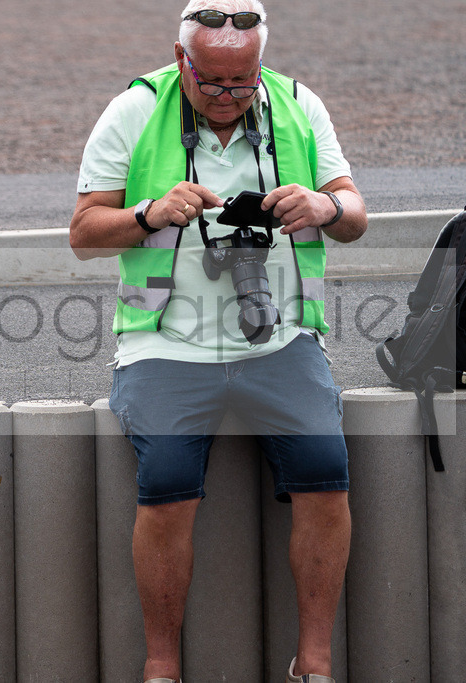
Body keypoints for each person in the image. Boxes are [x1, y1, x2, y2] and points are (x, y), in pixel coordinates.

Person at [69, 1, 367, 682]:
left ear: (260, 65)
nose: (229, 97)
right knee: (169, 483)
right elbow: (83, 231)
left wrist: (324, 206)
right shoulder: (135, 110)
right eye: (213, 83)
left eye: (244, 82)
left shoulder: (298, 104)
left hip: (281, 338)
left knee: (327, 471)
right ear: (182, 60)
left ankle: (314, 664)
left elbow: (354, 213)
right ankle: (162, 666)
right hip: (164, 340)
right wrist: (151, 214)